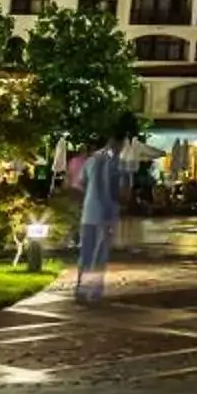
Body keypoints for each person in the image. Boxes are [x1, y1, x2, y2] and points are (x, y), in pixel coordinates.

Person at [75, 125, 128, 304]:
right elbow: (118, 191)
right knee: (99, 255)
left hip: (88, 214)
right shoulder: (116, 163)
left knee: (86, 252)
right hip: (105, 215)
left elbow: (80, 184)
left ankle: (81, 289)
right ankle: (94, 291)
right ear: (118, 143)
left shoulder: (91, 160)